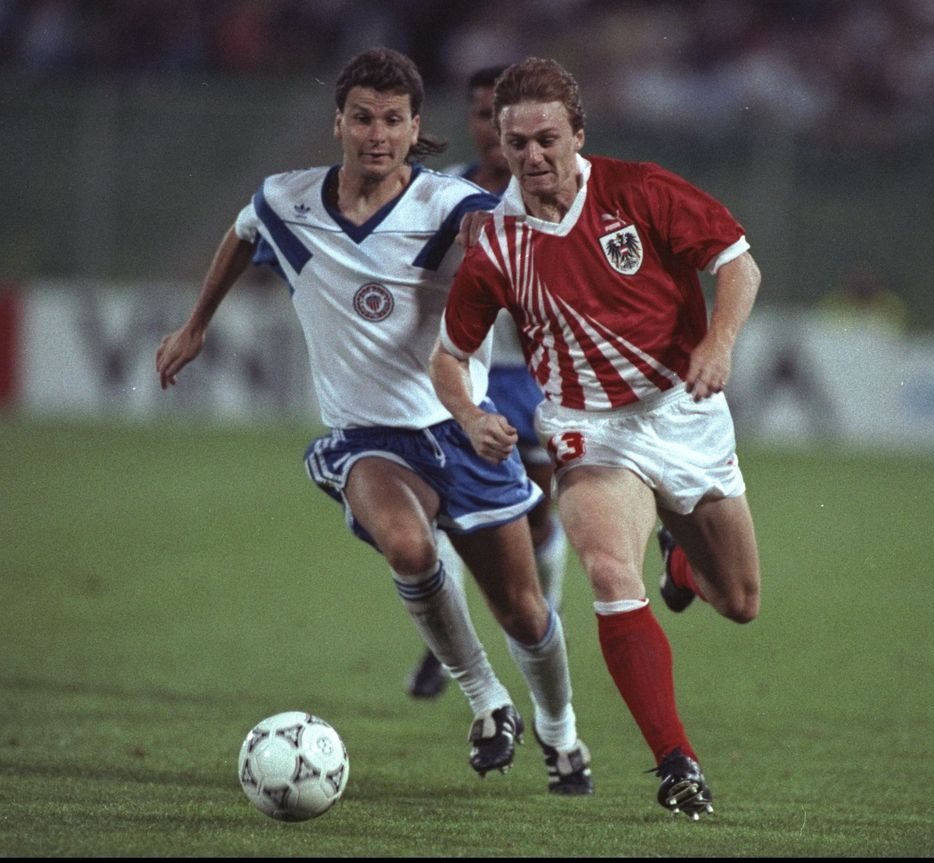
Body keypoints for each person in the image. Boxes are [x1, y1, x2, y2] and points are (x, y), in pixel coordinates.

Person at [154, 48, 591, 795]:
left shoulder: (453, 206)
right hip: (370, 439)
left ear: (416, 127)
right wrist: (196, 324)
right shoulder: (287, 200)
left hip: (462, 430)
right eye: (363, 118)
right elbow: (243, 232)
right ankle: (488, 700)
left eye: (393, 120)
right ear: (339, 124)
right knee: (408, 546)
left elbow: (511, 252)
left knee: (524, 611)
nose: (377, 134)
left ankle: (561, 732)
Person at [430, 57, 762, 820]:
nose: (532, 155)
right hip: (589, 430)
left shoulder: (639, 189)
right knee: (611, 572)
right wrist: (471, 416)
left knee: (740, 600)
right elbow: (448, 357)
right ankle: (676, 762)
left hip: (684, 411)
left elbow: (738, 265)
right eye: (517, 143)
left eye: (546, 138)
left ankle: (683, 560)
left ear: (578, 133)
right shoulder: (495, 243)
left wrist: (718, 343)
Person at [408, 65, 568, 702]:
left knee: (535, 517)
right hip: (463, 375)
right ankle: (445, 642)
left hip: (535, 379)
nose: (494, 130)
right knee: (449, 512)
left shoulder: (558, 192)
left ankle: (542, 624)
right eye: (482, 116)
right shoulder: (443, 193)